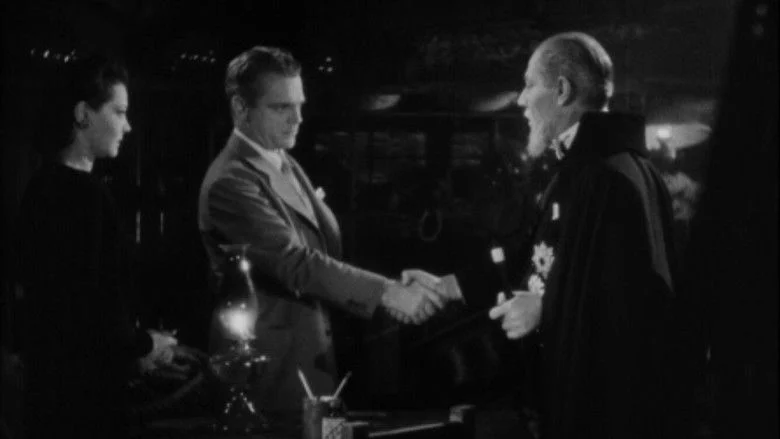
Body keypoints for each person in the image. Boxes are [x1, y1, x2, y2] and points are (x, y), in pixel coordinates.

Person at [198, 46, 447, 416]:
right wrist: (388, 293)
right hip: (268, 372)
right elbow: (296, 263)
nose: (297, 118)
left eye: (300, 105)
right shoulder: (230, 182)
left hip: (310, 360)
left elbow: (324, 250)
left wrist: (393, 285)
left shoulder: (283, 160)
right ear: (240, 108)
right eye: (281, 107)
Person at [488, 32, 683, 438]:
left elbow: (629, 307)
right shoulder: (600, 172)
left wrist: (545, 311)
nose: (521, 100)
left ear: (561, 90)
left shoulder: (604, 179)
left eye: (529, 84)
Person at [14, 54, 181, 438]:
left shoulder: (39, 187)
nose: (128, 125)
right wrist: (145, 345)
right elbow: (88, 309)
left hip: (47, 393)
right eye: (119, 112)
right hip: (85, 399)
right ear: (82, 114)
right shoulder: (85, 195)